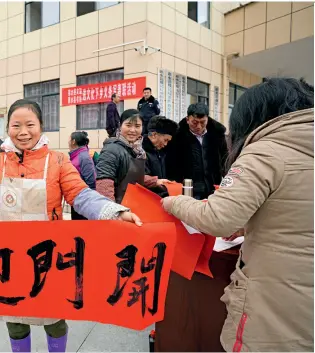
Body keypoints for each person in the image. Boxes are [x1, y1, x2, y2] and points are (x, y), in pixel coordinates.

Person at [162, 78, 314, 352]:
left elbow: (217, 218)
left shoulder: (266, 151)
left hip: (276, 294)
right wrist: (247, 224)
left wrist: (172, 203)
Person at [0, 99, 142, 353]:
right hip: (10, 258)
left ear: (41, 126)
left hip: (48, 257)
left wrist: (113, 212)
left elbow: (80, 195)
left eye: (30, 124)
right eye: (16, 125)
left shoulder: (57, 161)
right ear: (7, 128)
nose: (23, 132)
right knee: (15, 320)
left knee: (54, 319)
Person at [96, 109, 170, 203]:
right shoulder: (111, 149)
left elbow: (131, 177)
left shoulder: (137, 150)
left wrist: (155, 181)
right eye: (128, 125)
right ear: (120, 125)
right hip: (119, 207)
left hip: (133, 205)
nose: (132, 130)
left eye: (137, 126)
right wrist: (112, 212)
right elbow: (104, 184)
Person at [166, 102, 228, 200]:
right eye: (194, 123)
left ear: (207, 119)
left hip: (214, 190)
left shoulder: (217, 135)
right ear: (187, 120)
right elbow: (170, 166)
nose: (199, 126)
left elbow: (226, 161)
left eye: (203, 122)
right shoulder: (177, 137)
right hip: (187, 191)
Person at [142, 116, 178, 197]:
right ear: (154, 135)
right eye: (165, 140)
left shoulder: (160, 152)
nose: (165, 144)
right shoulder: (140, 152)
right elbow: (140, 179)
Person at [69, 131, 96, 220]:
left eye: (69, 139)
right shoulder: (76, 155)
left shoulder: (84, 157)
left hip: (83, 200)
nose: (68, 142)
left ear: (73, 141)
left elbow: (91, 181)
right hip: (76, 198)